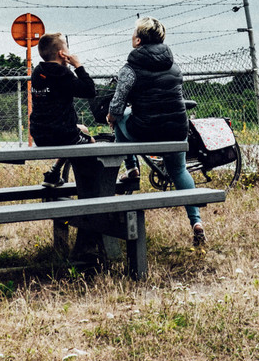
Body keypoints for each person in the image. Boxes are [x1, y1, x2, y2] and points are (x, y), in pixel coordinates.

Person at [106, 16, 205, 247]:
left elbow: (117, 106)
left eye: (133, 33)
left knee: (120, 119)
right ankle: (197, 222)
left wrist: (110, 117)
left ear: (138, 40)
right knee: (179, 170)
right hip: (177, 130)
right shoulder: (174, 65)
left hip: (145, 130)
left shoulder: (130, 69)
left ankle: (131, 168)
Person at [29, 32, 98, 187]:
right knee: (91, 142)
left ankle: (54, 172)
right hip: (61, 133)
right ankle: (90, 186)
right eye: (66, 47)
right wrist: (78, 66)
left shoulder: (38, 71)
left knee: (82, 129)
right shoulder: (62, 73)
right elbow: (90, 91)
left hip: (40, 133)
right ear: (62, 53)